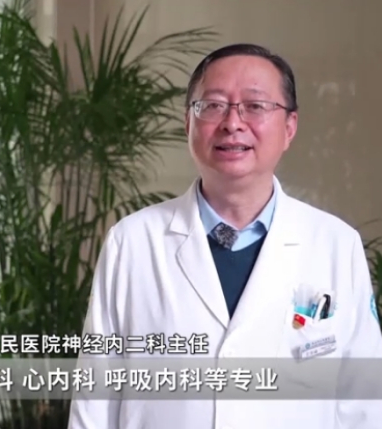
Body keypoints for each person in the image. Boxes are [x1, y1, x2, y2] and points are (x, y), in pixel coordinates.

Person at [67, 43, 382, 429]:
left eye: (255, 105)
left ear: (289, 127)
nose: (233, 123)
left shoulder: (336, 245)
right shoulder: (131, 242)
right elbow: (95, 397)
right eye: (213, 105)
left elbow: (364, 404)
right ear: (188, 123)